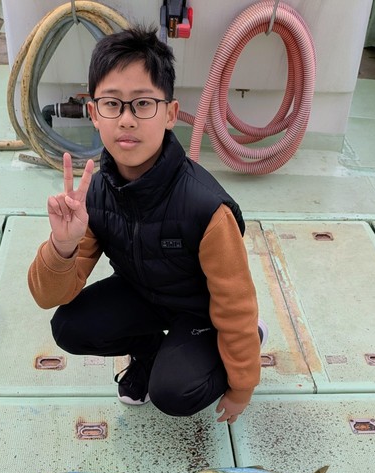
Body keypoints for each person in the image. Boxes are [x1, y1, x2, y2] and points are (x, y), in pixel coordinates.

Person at [28, 26, 262, 424]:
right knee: (69, 327)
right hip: (143, 294)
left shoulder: (205, 207)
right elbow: (48, 295)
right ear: (93, 114)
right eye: (112, 104)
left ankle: (245, 343)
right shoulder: (95, 194)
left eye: (142, 104)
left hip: (201, 311)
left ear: (170, 114)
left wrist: (242, 386)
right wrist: (62, 246)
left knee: (174, 391)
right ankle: (149, 352)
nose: (126, 120)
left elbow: (235, 303)